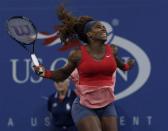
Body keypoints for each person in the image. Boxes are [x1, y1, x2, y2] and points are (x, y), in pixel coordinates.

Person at [34, 5, 135, 131]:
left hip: (107, 106)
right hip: (84, 107)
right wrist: (45, 73)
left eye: (103, 26)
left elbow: (122, 66)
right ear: (89, 34)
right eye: (98, 27)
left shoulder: (112, 50)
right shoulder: (77, 55)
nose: (103, 28)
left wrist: (128, 66)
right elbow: (63, 74)